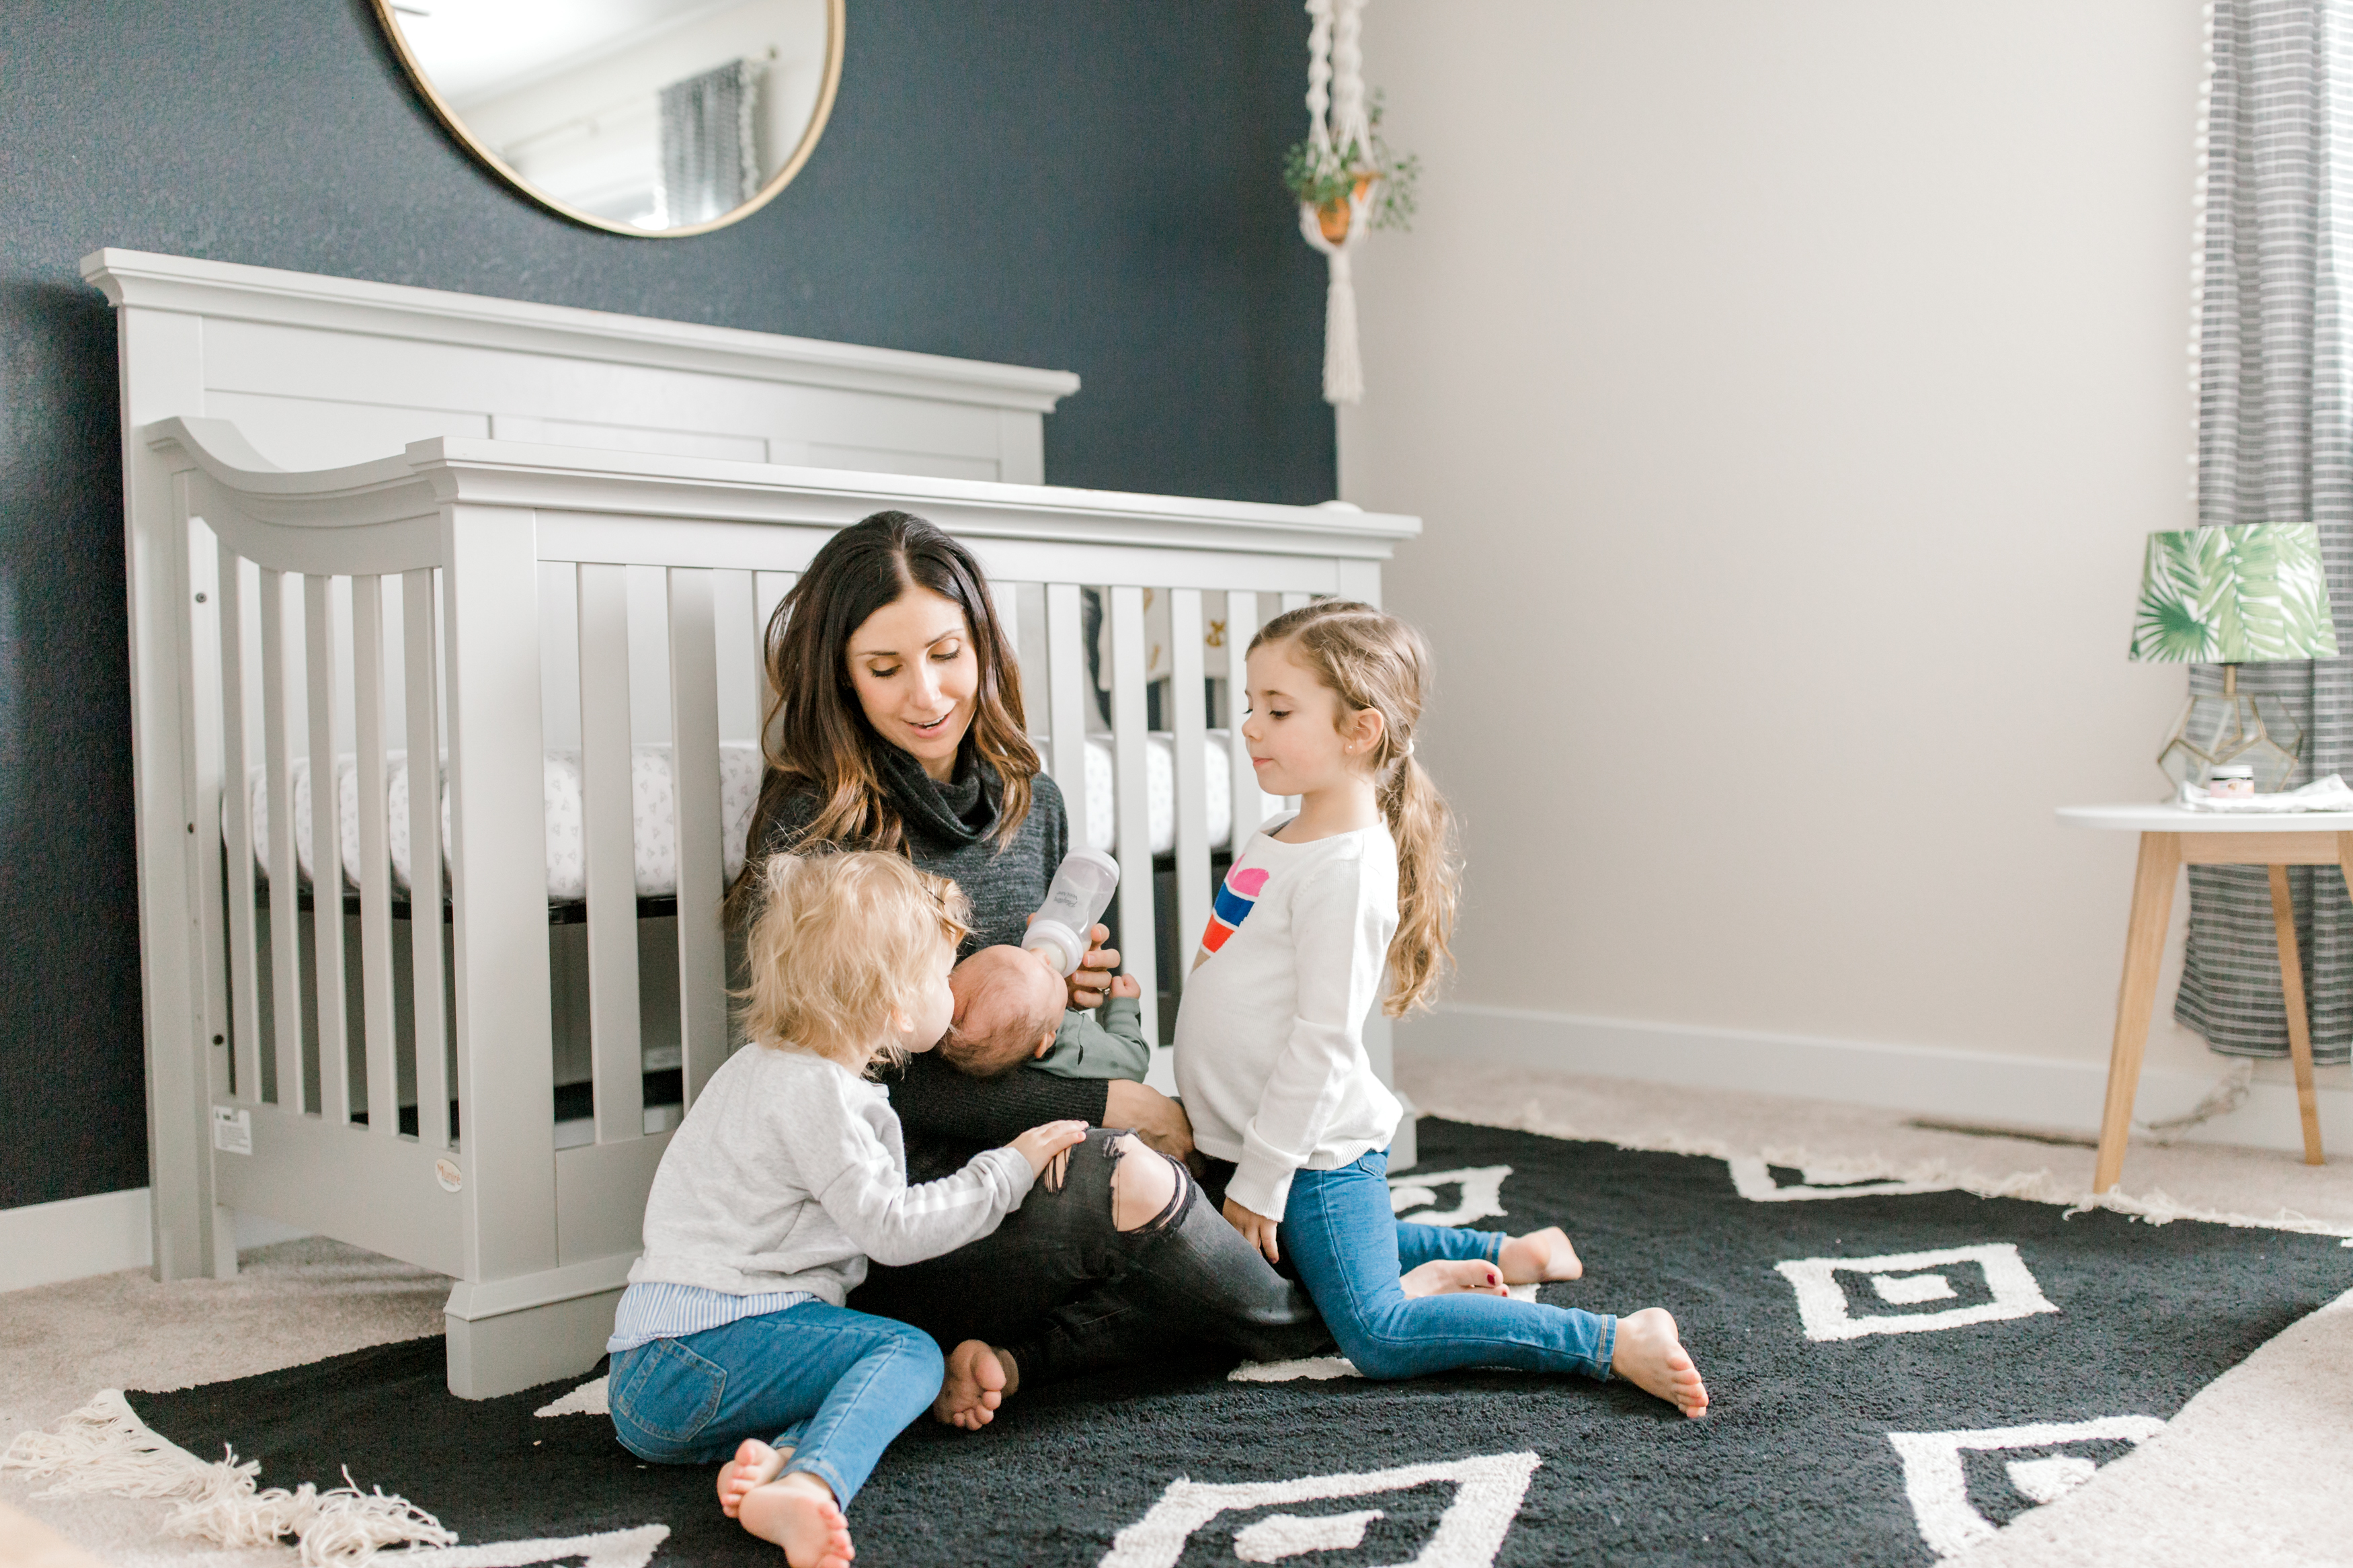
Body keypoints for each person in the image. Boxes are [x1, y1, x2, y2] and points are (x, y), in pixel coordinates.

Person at [734, 510, 1339, 1427]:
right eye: (885, 668)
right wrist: (1099, 1103)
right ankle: (1328, 1324)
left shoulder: (1030, 799)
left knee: (1243, 1153)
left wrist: (1066, 998)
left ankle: (1025, 1358)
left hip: (1030, 1163)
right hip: (906, 1211)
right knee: (1133, 1178)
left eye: (946, 654)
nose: (927, 693)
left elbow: (1035, 1010)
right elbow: (825, 1084)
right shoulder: (816, 828)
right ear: (840, 675)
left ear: (981, 646)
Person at [1174, 600, 1712, 1417]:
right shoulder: (1280, 834)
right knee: (1318, 1257)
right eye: (1249, 704)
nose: (1249, 726)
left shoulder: (1345, 872)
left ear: (1359, 731)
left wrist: (1263, 1174)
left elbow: (1322, 1040)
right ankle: (1509, 1251)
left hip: (1311, 1155)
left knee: (1377, 1330)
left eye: (1277, 710)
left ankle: (1612, 1339)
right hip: (1252, 1139)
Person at [607, 849, 1090, 1567]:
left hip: (657, 1371)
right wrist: (1006, 1169)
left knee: (851, 1367)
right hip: (694, 1356)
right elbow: (890, 1227)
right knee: (906, 1353)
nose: (951, 988)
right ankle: (813, 1483)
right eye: (941, 976)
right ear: (895, 1004)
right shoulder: (820, 1095)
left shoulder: (759, 1065)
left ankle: (777, 1464)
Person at [939, 944, 1150, 1081]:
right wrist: (1123, 1006)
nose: (1042, 954)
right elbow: (1135, 1060)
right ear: (1045, 1043)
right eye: (1049, 974)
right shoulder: (1076, 1042)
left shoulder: (1016, 1041)